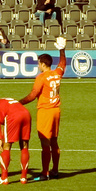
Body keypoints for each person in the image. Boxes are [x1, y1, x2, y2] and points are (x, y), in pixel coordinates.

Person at [19, 44, 68, 180]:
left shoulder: (42, 77)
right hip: (56, 110)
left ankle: (45, 173)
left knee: (45, 143)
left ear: (42, 64)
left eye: (39, 63)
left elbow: (33, 95)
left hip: (45, 111)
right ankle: (55, 170)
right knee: (54, 141)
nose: (38, 66)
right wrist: (62, 50)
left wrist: (18, 103)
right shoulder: (57, 73)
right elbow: (62, 63)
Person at [0, 96, 33, 184]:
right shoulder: (0, 102)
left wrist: (0, 139)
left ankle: (4, 178)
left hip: (13, 116)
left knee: (7, 146)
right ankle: (24, 178)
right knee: (24, 145)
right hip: (26, 114)